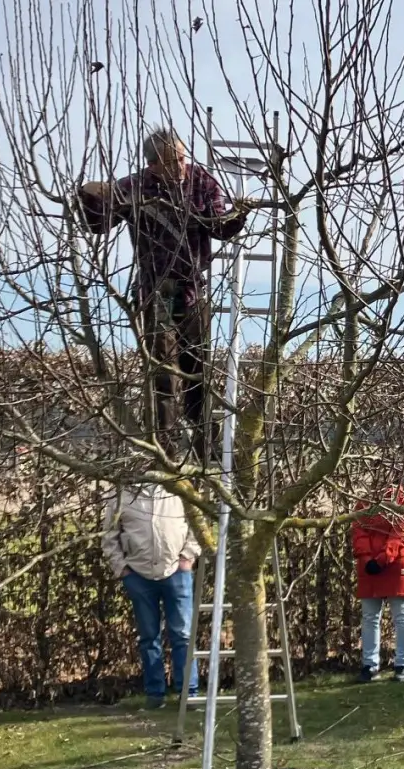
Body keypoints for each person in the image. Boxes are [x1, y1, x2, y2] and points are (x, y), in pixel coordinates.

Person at [75, 127, 249, 457]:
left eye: (184, 157)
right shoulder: (136, 186)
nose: (182, 165)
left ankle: (204, 446)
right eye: (174, 160)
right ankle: (163, 448)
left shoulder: (202, 181)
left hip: (193, 290)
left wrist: (239, 214)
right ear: (154, 165)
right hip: (154, 291)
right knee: (163, 377)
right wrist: (89, 196)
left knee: (198, 370)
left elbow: (219, 227)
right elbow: (98, 224)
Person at [102, 481, 202, 709]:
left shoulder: (179, 487)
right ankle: (155, 695)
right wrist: (123, 570)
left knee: (183, 635)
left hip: (176, 572)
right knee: (149, 637)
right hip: (138, 574)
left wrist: (187, 557)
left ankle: (189, 694)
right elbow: (109, 536)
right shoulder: (121, 493)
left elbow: (198, 525)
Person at [351, 482, 404, 683]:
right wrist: (367, 558)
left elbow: (401, 532)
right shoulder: (364, 502)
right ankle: (370, 665)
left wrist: (382, 558)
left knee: (401, 615)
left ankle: (402, 664)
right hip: (369, 565)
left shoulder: (402, 500)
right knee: (370, 616)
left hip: (396, 564)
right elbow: (358, 531)